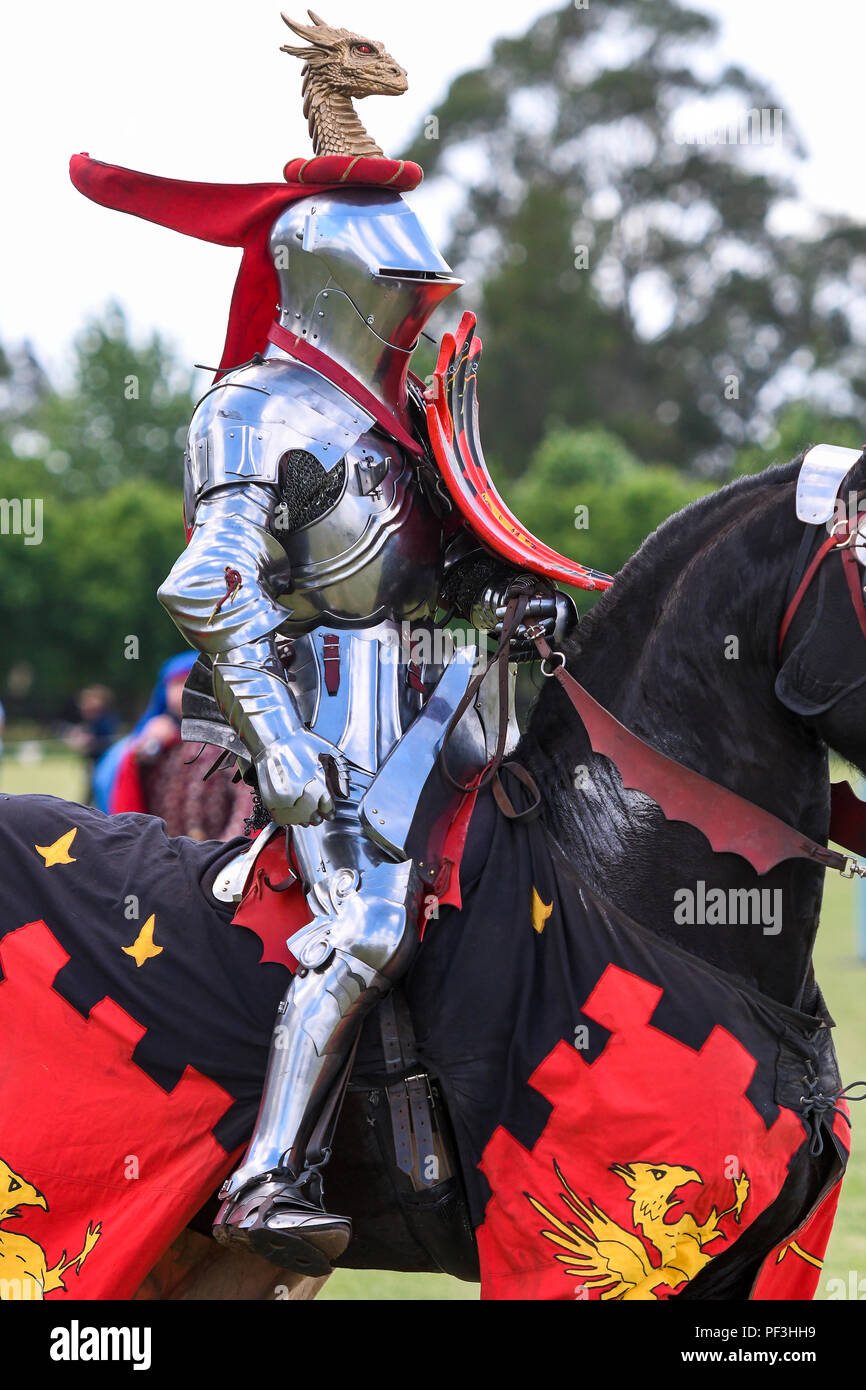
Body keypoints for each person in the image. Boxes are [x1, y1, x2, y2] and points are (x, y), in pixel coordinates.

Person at [72, 11, 606, 1275]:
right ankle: (271, 1175)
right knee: (368, 918)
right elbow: (207, 587)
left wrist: (525, 607)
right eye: (391, 288)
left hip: (447, 711)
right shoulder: (254, 412)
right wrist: (283, 744)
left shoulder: (401, 417)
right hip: (321, 715)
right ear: (335, 283)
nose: (410, 309)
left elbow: (460, 557)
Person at [94, 653, 253, 840]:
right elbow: (126, 798)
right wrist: (144, 753)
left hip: (222, 856)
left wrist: (230, 849)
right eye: (177, 683)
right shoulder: (154, 741)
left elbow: (248, 804)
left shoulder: (234, 741)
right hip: (167, 854)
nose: (186, 690)